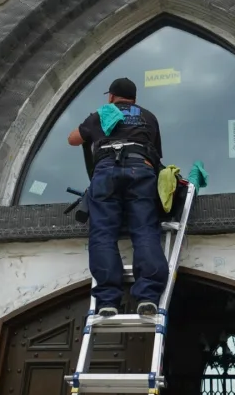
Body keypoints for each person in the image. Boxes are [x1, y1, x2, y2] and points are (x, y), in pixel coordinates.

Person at [67, 77, 169, 318]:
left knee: (103, 233)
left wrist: (94, 128)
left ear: (111, 96)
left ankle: (107, 301)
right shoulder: (149, 117)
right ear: (134, 98)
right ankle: (148, 296)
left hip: (106, 172)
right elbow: (156, 153)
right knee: (144, 230)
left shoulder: (103, 113)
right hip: (141, 168)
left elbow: (73, 139)